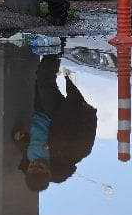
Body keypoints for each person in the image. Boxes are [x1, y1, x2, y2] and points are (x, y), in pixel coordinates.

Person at [11, 53, 98, 191]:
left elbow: (24, 143)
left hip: (38, 111)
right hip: (58, 115)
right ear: (49, 172)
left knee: (38, 80)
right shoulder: (65, 157)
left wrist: (18, 137)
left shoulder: (28, 157)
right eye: (40, 167)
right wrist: (87, 113)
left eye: (32, 166)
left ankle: (52, 48)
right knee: (44, 80)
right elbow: (86, 142)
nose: (36, 163)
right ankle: (55, 45)